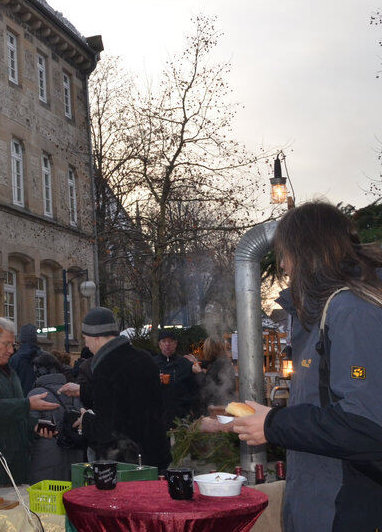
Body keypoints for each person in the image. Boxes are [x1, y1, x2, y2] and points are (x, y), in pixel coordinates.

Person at [231, 202, 382, 531]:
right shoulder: (321, 313)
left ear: (306, 252)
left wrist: (273, 424)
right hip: (320, 503)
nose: (283, 265)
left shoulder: (351, 311)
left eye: (285, 254)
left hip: (345, 509)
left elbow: (365, 424)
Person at [70, 307, 170, 470]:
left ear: (96, 337)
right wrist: (83, 391)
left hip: (128, 463)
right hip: (156, 454)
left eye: (86, 338)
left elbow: (108, 429)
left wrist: (85, 420)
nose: (86, 345)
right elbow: (134, 401)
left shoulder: (105, 368)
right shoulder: (144, 358)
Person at [0, 317, 59, 485]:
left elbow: (17, 415)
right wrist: (27, 404)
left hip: (18, 460)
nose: (11, 350)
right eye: (6, 344)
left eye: (13, 345)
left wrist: (35, 426)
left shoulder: (10, 372)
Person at [28, 363, 84, 482]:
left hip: (45, 457)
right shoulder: (74, 391)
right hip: (75, 454)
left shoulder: (37, 393)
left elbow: (30, 425)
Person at [153, 328, 197, 428]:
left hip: (181, 415)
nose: (167, 344)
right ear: (159, 344)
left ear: (175, 344)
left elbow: (194, 388)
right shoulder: (152, 363)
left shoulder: (185, 364)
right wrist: (154, 381)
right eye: (164, 341)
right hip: (159, 415)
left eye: (170, 341)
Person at [192, 336, 234, 415]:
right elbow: (207, 363)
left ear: (210, 349)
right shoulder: (222, 361)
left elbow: (207, 386)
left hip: (216, 406)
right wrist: (195, 361)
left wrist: (199, 372)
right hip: (224, 403)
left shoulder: (218, 364)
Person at [8, 323, 44, 394]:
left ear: (21, 339)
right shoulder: (44, 356)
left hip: (22, 397)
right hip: (40, 396)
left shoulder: (15, 359)